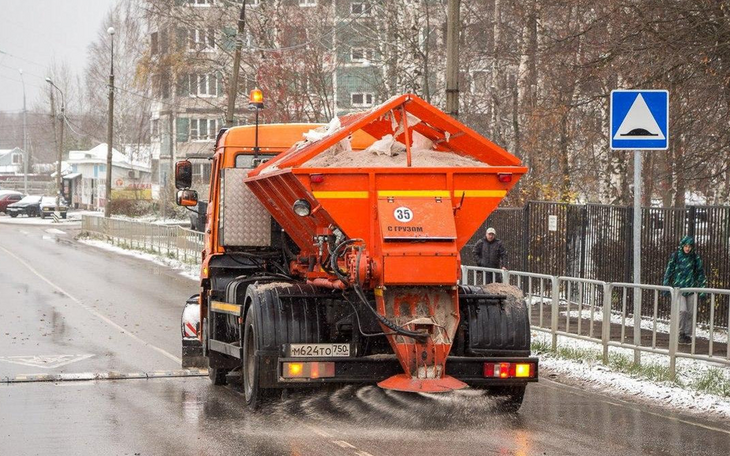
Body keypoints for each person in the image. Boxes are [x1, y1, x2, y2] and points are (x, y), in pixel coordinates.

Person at [662, 236, 708, 344]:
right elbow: (669, 271)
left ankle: (688, 335)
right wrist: (666, 286)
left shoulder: (695, 258)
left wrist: (702, 289)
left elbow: (700, 273)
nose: (687, 248)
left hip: (691, 288)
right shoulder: (676, 256)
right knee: (683, 310)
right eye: (686, 246)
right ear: (682, 246)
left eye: (689, 246)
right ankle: (680, 333)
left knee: (691, 313)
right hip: (679, 288)